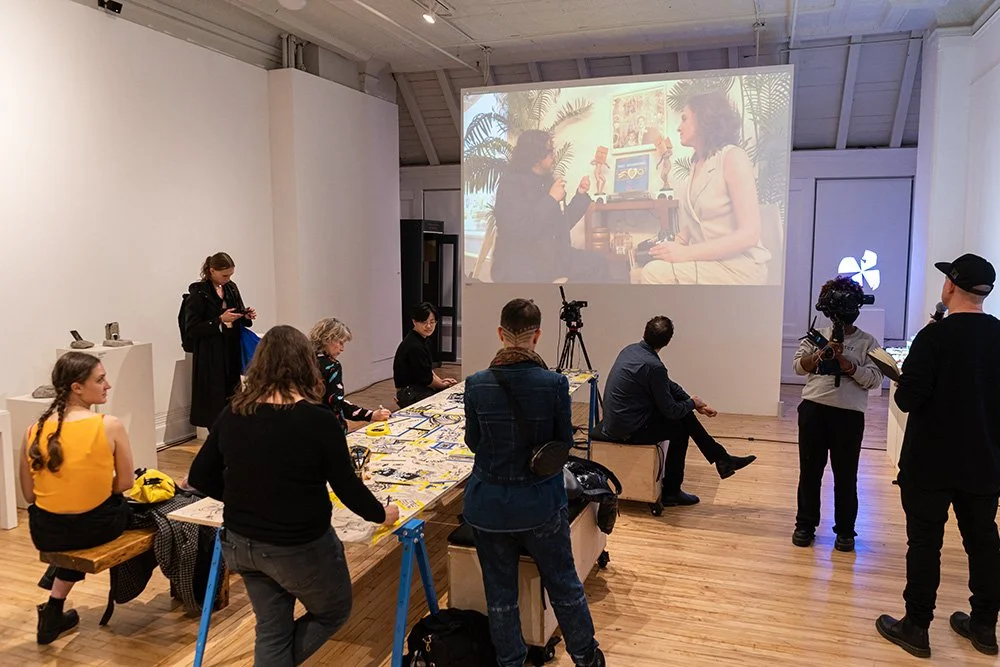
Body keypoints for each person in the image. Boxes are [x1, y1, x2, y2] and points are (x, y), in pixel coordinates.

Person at [188, 325, 398, 666]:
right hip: (296, 545)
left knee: (272, 630)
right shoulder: (317, 420)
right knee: (333, 611)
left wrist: (246, 499)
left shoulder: (235, 411)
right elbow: (346, 485)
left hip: (242, 543)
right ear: (305, 365)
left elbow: (200, 476)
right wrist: (381, 514)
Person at [464, 298, 605, 667]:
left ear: (500, 333)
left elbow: (473, 442)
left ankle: (510, 661)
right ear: (537, 336)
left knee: (500, 594)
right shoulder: (554, 384)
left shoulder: (476, 384)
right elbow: (563, 442)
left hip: (489, 506)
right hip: (540, 503)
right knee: (564, 584)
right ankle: (586, 657)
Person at [877, 253, 1000, 659]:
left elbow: (908, 400)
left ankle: (916, 627)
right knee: (983, 542)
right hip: (984, 462)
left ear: (950, 286)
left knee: (925, 543)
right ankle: (984, 627)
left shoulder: (933, 337)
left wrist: (905, 377)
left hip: (930, 463)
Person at [18, 352, 135, 645]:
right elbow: (125, 483)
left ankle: (54, 609)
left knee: (74, 525)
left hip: (46, 531)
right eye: (100, 379)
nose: (108, 385)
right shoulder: (109, 424)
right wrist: (96, 488)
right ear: (77, 388)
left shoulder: (33, 430)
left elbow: (29, 495)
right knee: (145, 513)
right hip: (96, 527)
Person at [592, 316, 756, 506]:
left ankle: (722, 459)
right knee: (680, 429)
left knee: (683, 414)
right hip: (626, 429)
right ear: (668, 341)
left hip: (621, 419)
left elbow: (668, 385)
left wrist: (696, 404)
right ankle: (673, 490)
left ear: (645, 332)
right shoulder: (654, 366)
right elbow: (671, 411)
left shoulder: (631, 350)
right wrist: (691, 404)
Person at [791, 277, 884, 552]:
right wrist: (821, 355)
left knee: (846, 476)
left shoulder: (868, 342)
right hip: (813, 410)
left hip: (849, 416)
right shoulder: (816, 336)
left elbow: (875, 379)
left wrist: (848, 365)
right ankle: (805, 525)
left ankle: (845, 531)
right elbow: (798, 367)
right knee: (810, 472)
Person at [641, 90, 771, 285]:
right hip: (710, 262)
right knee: (648, 264)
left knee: (653, 273)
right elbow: (698, 218)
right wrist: (673, 245)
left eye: (684, 119)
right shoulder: (696, 164)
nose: (678, 127)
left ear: (704, 119)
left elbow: (750, 234)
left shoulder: (733, 157)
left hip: (740, 267)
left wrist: (685, 253)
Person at [490, 129, 610, 283]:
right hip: (521, 261)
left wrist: (580, 195)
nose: (554, 154)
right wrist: (551, 199)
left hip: (551, 256)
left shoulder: (547, 182)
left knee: (597, 263)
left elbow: (562, 225)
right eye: (550, 150)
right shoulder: (511, 184)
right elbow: (520, 229)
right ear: (535, 155)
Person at [183, 252, 257, 429]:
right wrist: (219, 320)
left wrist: (246, 315)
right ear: (212, 271)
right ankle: (216, 434)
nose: (228, 279)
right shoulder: (199, 293)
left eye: (230, 275)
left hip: (231, 348)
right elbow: (192, 328)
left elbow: (237, 312)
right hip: (210, 353)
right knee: (213, 396)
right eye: (224, 275)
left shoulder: (231, 288)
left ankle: (231, 431)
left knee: (233, 393)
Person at [309, 317, 391, 432]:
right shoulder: (332, 366)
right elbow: (336, 403)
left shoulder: (304, 361)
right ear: (328, 339)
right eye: (340, 343)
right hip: (328, 428)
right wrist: (370, 415)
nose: (342, 348)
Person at [393, 302, 457, 408]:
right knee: (445, 403)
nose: (429, 326)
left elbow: (427, 370)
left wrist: (441, 381)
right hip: (409, 392)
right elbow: (427, 380)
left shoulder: (422, 340)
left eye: (432, 322)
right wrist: (442, 385)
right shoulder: (415, 345)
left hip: (417, 388)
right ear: (414, 321)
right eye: (424, 322)